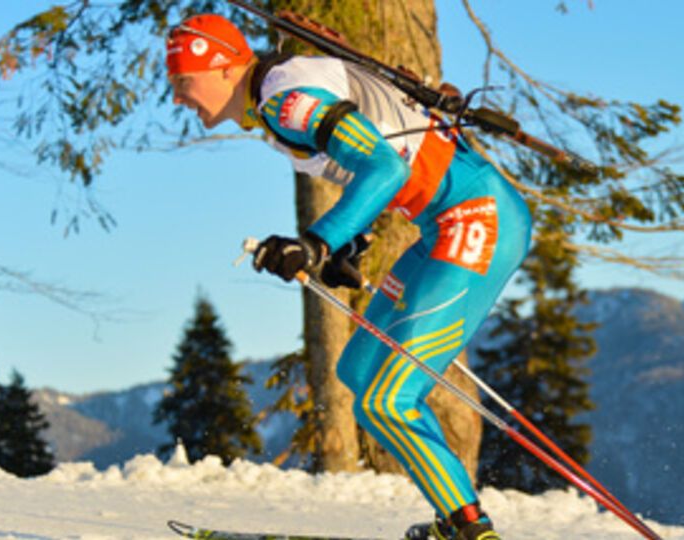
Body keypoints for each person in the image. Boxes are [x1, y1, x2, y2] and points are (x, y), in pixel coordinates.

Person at [166, 14, 531, 540]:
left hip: (478, 219)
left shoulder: (283, 100)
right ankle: (457, 522)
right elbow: (393, 156)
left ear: (223, 68)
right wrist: (349, 241)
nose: (179, 98)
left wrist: (316, 243)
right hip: (440, 227)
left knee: (388, 398)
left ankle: (471, 530)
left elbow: (386, 169)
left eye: (183, 82)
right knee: (361, 370)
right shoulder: (276, 100)